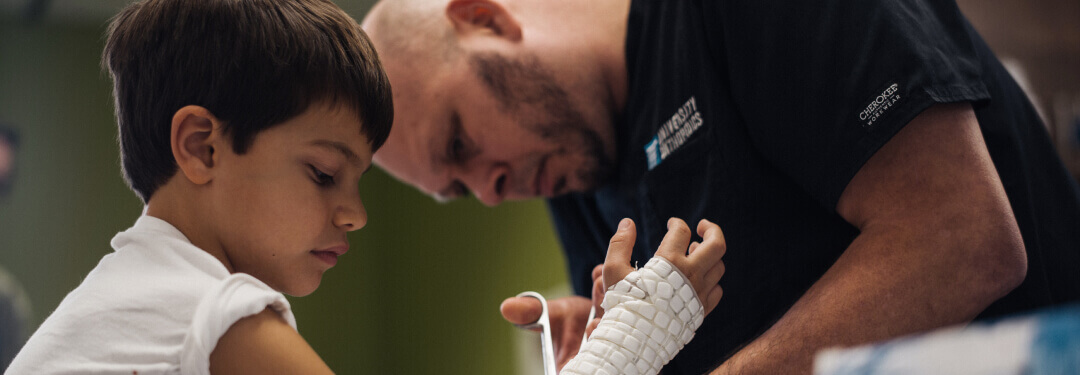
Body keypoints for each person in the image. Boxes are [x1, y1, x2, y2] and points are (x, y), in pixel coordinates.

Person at [360, 0, 1080, 374]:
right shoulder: (573, 173)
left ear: (485, 18)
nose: (489, 190)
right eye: (457, 188)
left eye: (460, 141)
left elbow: (967, 239)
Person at [6, 0, 392, 373]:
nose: (356, 215)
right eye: (324, 174)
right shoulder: (220, 315)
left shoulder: (106, 306)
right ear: (201, 148)